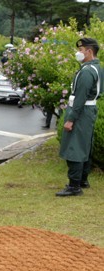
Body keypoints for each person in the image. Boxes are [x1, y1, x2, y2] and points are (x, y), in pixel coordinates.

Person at [57, 37, 103, 197]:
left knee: (75, 147)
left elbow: (80, 98)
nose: (78, 53)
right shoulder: (96, 68)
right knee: (84, 145)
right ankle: (82, 180)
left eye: (80, 50)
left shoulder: (86, 72)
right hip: (88, 111)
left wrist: (70, 119)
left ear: (89, 51)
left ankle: (74, 186)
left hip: (82, 111)